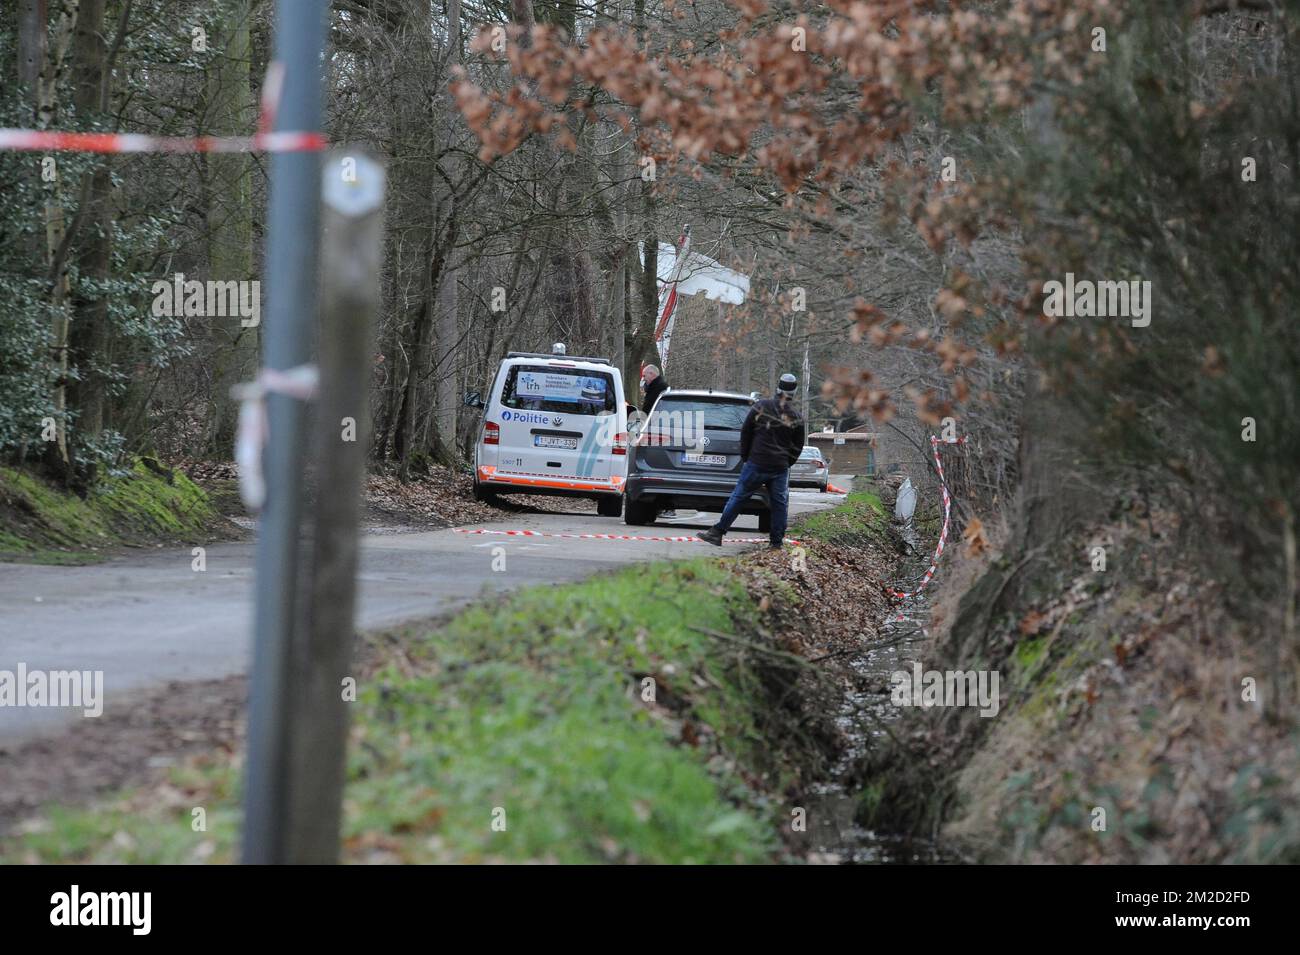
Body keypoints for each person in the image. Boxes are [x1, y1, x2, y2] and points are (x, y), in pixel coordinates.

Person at [697, 373, 805, 549]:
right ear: (794, 392)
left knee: (738, 497)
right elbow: (798, 446)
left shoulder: (761, 406)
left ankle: (717, 532)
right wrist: (787, 462)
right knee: (779, 505)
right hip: (779, 467)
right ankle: (776, 543)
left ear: (778, 388)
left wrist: (746, 457)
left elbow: (746, 432)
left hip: (757, 462)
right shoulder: (796, 416)